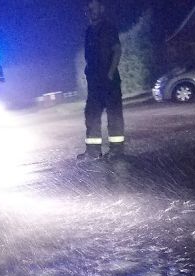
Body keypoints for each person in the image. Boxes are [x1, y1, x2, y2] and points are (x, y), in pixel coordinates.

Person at [79, 0, 125, 160]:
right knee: (91, 115)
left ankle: (117, 150)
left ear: (102, 9)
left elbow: (117, 50)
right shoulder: (89, 31)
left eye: (95, 8)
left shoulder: (108, 28)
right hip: (94, 82)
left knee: (114, 116)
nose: (92, 11)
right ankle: (92, 151)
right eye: (90, 9)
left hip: (109, 81)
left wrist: (111, 73)